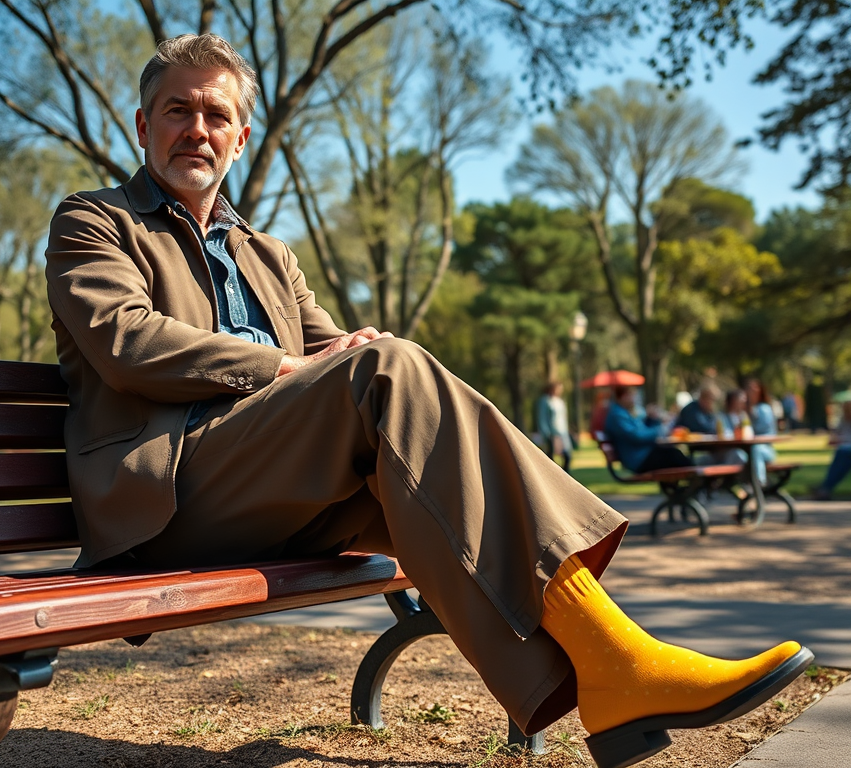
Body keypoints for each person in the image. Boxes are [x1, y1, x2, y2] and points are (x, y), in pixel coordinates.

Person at [44, 34, 811, 768]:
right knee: (391, 372)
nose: (196, 130)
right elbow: (127, 343)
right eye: (178, 111)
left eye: (216, 115)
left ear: (240, 138)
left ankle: (617, 673)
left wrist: (350, 349)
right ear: (144, 125)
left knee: (403, 399)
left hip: (278, 494)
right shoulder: (95, 221)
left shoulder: (268, 254)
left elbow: (333, 352)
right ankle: (621, 668)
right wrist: (296, 366)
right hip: (171, 497)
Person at [603, 386, 692, 473]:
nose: (634, 400)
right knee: (674, 455)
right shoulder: (618, 415)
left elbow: (641, 429)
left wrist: (651, 419)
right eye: (632, 396)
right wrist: (660, 429)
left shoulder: (622, 412)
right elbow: (637, 436)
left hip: (643, 455)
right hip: (638, 459)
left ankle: (694, 481)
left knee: (673, 454)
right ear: (624, 396)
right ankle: (697, 479)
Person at [742, 379, 778, 485]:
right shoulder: (746, 409)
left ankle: (759, 482)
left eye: (754, 389)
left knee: (756, 449)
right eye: (749, 389)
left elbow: (764, 431)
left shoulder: (764, 409)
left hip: (765, 450)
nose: (751, 392)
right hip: (749, 449)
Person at [814, 400, 851, 500]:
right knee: (842, 456)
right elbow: (835, 435)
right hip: (844, 448)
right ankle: (825, 487)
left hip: (845, 449)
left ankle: (825, 487)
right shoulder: (843, 421)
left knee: (842, 454)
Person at [537, 381, 572, 473]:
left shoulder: (560, 401)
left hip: (562, 432)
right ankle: (552, 477)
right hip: (552, 433)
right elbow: (542, 417)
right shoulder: (545, 401)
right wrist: (546, 433)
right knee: (551, 457)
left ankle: (564, 475)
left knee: (567, 455)